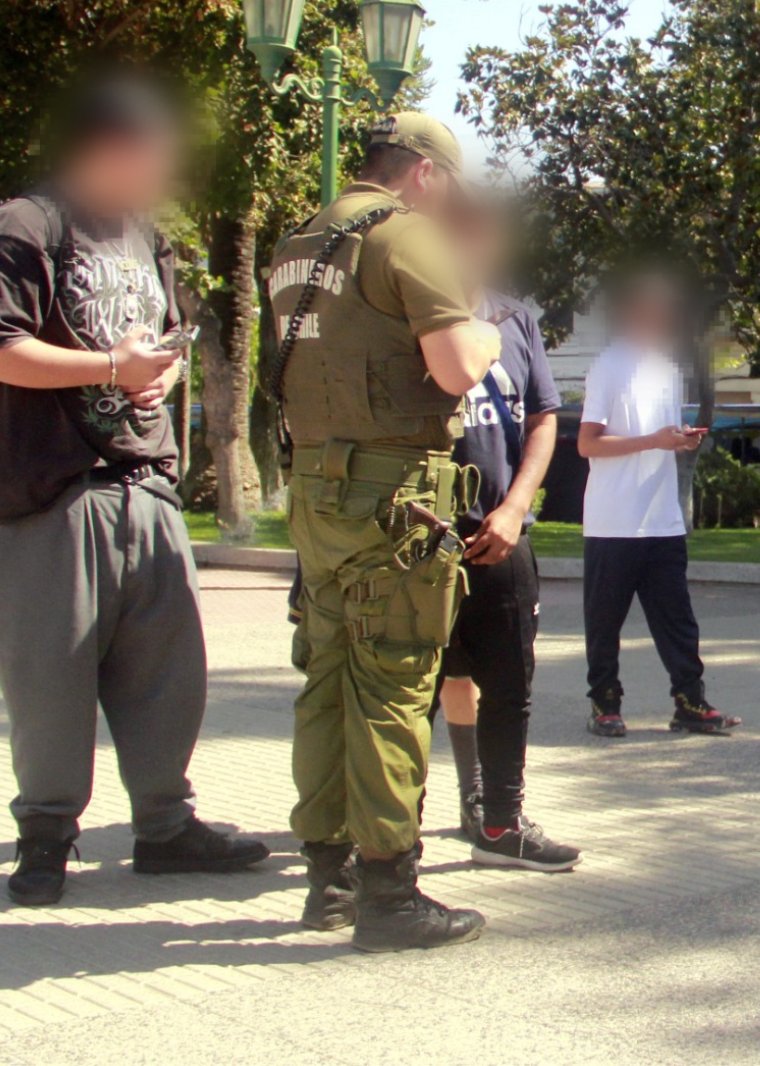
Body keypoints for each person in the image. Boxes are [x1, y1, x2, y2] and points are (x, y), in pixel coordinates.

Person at [0, 73, 268, 906]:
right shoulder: (23, 227)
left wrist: (152, 381)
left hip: (145, 482)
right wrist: (108, 368)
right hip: (51, 494)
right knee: (50, 682)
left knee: (169, 676)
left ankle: (165, 828)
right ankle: (46, 839)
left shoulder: (146, 235)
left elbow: (152, 339)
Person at [269, 113, 502, 951]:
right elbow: (453, 367)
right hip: (393, 500)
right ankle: (390, 895)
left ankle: (325, 882)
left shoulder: (298, 244)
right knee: (395, 684)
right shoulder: (407, 238)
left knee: (326, 681)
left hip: (317, 494)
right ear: (428, 175)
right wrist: (482, 327)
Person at [432, 201, 580, 873]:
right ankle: (394, 833)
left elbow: (545, 416)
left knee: (508, 683)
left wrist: (517, 506)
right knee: (427, 684)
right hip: (423, 541)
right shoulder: (410, 315)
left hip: (501, 534)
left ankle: (498, 823)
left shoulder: (515, 317)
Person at [576, 274, 742, 738]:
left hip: (662, 519)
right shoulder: (607, 367)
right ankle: (604, 705)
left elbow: (660, 437)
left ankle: (690, 702)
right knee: (604, 622)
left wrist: (680, 441)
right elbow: (587, 445)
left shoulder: (669, 370)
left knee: (678, 620)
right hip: (614, 523)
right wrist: (654, 440)